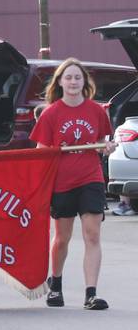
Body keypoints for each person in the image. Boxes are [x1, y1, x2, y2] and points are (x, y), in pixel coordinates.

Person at [30, 59, 116, 310]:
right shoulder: (51, 114)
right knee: (62, 238)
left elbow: (101, 142)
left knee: (92, 234)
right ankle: (55, 284)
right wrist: (56, 151)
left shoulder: (96, 111)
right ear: (60, 82)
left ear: (84, 82)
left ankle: (91, 293)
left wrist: (106, 147)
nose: (73, 82)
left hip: (90, 178)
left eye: (77, 77)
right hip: (61, 182)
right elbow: (41, 151)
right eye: (68, 77)